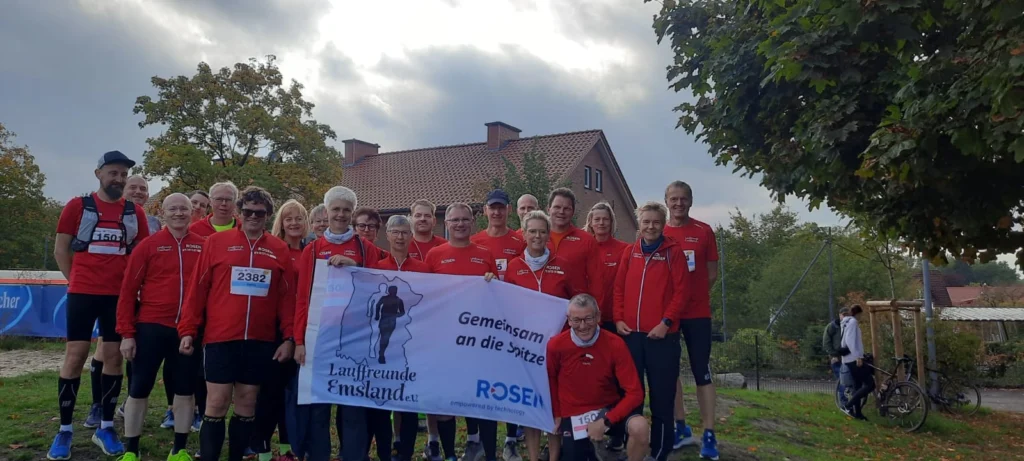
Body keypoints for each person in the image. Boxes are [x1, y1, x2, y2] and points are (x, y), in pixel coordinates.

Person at [177, 186, 297, 461]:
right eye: (248, 211)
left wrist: (289, 338)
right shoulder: (217, 243)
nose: (253, 216)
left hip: (259, 340)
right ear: (239, 212)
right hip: (220, 338)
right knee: (216, 403)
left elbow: (287, 300)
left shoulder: (279, 249)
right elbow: (197, 290)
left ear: (268, 215)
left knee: (246, 404)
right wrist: (187, 330)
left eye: (260, 212)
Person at [48, 150, 152, 460]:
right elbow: (60, 250)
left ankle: (105, 427)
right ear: (99, 174)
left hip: (118, 298)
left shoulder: (135, 213)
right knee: (75, 356)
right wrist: (77, 279)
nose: (118, 179)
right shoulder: (77, 206)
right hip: (83, 293)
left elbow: (141, 256)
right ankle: (64, 430)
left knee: (113, 358)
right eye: (113, 173)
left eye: (123, 174)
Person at [293, 186, 384, 461]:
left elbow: (377, 289)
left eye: (346, 210)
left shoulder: (366, 249)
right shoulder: (313, 250)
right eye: (336, 209)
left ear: (352, 213)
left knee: (353, 409)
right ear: (327, 212)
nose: (341, 215)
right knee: (318, 409)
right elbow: (302, 298)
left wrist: (354, 266)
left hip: (355, 340)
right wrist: (298, 340)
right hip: (319, 339)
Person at [114, 193, 204, 461]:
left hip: (188, 331)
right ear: (163, 212)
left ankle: (179, 449)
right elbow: (128, 291)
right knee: (139, 389)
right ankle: (131, 450)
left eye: (184, 209)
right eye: (173, 209)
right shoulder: (148, 246)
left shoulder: (203, 246)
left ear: (192, 212)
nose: (179, 213)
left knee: (185, 391)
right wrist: (127, 334)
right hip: (151, 327)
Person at [613, 201, 691, 461]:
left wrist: (666, 322)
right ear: (639, 223)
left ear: (663, 223)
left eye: (656, 221)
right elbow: (619, 289)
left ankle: (659, 451)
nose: (651, 226)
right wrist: (618, 318)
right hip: (632, 336)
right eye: (646, 221)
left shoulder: (673, 252)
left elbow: (682, 293)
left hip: (662, 338)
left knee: (661, 398)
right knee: (632, 396)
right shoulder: (630, 251)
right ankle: (632, 448)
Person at [503, 210, 582, 461]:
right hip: (527, 350)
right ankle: (535, 457)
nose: (537, 236)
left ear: (548, 234)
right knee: (532, 406)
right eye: (532, 231)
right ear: (524, 234)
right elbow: (507, 305)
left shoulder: (563, 266)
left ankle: (554, 457)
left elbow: (577, 303)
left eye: (542, 231)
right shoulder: (515, 267)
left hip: (558, 350)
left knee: (554, 406)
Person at [424, 203, 498, 461]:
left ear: (472, 222)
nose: (459, 224)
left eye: (465, 220)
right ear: (446, 223)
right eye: (454, 220)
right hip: (445, 340)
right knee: (446, 401)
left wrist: (493, 282)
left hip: (478, 340)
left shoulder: (485, 254)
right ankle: (449, 454)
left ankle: (488, 454)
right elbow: (426, 296)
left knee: (480, 400)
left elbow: (499, 294)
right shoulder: (434, 255)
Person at [548, 294, 649, 461]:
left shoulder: (615, 344)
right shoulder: (556, 345)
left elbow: (635, 393)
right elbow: (551, 378)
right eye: (576, 320)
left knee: (640, 427)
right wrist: (557, 413)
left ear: (598, 317)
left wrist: (606, 421)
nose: (583, 326)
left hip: (607, 410)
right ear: (569, 320)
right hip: (573, 413)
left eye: (588, 319)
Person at [662, 181, 719, 457]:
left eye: (683, 199)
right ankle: (681, 426)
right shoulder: (659, 230)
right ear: (666, 202)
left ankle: (709, 433)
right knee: (670, 372)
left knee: (701, 371)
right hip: (668, 315)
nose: (678, 203)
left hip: (697, 314)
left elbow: (711, 273)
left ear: (691, 201)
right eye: (673, 199)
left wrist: (691, 298)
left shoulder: (703, 231)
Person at [250, 199, 309, 461]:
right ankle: (262, 449)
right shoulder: (274, 250)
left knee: (293, 395)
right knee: (271, 393)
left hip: (305, 330)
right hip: (277, 331)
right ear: (281, 223)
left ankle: (288, 448)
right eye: (288, 218)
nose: (294, 223)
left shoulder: (312, 252)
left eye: (299, 218)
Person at [375, 215, 432, 461]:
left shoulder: (423, 269)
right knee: (382, 404)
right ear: (387, 235)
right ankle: (385, 451)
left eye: (404, 233)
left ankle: (406, 452)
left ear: (411, 236)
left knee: (408, 402)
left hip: (412, 341)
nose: (399, 237)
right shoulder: (376, 269)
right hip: (385, 333)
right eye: (395, 232)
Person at [545, 188, 604, 309]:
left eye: (567, 208)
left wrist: (596, 314)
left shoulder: (586, 241)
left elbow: (597, 283)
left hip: (576, 313)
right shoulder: (534, 237)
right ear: (548, 209)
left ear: (573, 212)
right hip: (541, 308)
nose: (561, 212)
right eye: (557, 207)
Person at [582, 202, 629, 334]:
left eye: (605, 219)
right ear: (590, 222)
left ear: (611, 222)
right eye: (597, 219)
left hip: (614, 317)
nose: (601, 223)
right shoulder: (583, 248)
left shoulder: (624, 249)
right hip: (587, 316)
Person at [471, 189, 525, 281]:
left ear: (509, 209)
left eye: (501, 208)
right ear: (485, 210)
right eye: (492, 208)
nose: (497, 212)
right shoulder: (473, 242)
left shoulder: (521, 242)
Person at [841, 305, 872, 421]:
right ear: (858, 313)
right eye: (861, 314)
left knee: (857, 386)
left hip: (848, 358)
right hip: (853, 359)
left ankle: (857, 413)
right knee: (870, 384)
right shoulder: (853, 322)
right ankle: (848, 406)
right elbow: (850, 340)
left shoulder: (845, 322)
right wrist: (858, 356)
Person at [823, 308, 852, 410]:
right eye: (843, 314)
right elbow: (826, 342)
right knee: (842, 381)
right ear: (840, 315)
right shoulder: (832, 327)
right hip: (837, 358)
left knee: (850, 380)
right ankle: (844, 404)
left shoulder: (850, 325)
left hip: (849, 357)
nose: (845, 317)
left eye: (847, 314)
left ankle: (850, 403)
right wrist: (834, 354)